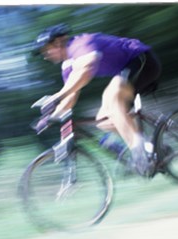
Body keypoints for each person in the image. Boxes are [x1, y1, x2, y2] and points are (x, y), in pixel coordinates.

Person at [32, 24, 162, 175]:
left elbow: (86, 70)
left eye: (46, 50)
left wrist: (57, 97)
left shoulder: (79, 44)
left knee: (111, 95)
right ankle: (150, 149)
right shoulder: (67, 65)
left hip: (142, 60)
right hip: (126, 70)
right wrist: (51, 117)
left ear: (58, 42)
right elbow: (71, 95)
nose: (45, 55)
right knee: (103, 121)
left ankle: (138, 153)